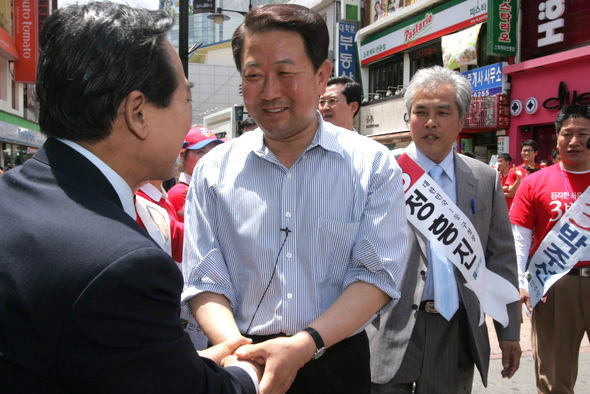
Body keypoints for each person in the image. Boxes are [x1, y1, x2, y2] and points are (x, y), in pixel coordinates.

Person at [0, 3, 260, 392]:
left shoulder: (13, 196)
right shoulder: (122, 265)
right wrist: (250, 370)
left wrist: (174, 360)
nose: (188, 118)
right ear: (138, 113)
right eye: (185, 99)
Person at [182, 4, 408, 394]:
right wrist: (236, 352)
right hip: (242, 361)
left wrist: (305, 344)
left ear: (322, 76)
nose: (270, 92)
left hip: (333, 357)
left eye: (286, 74)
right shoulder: (213, 170)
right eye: (254, 76)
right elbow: (204, 278)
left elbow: (375, 275)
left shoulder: (372, 165)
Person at [368, 66, 521, 394]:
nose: (430, 122)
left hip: (455, 329)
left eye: (442, 112)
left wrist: (509, 332)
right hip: (388, 325)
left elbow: (502, 258)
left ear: (462, 121)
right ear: (407, 117)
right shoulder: (380, 174)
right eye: (420, 112)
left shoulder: (484, 179)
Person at [511, 104, 590, 394]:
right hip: (555, 285)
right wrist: (521, 282)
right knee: (554, 378)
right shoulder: (534, 183)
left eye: (583, 134)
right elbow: (519, 237)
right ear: (556, 138)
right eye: (567, 134)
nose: (574, 141)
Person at [167, 126, 223, 222]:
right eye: (201, 152)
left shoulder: (217, 187)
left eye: (214, 151)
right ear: (182, 155)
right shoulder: (179, 194)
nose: (209, 158)